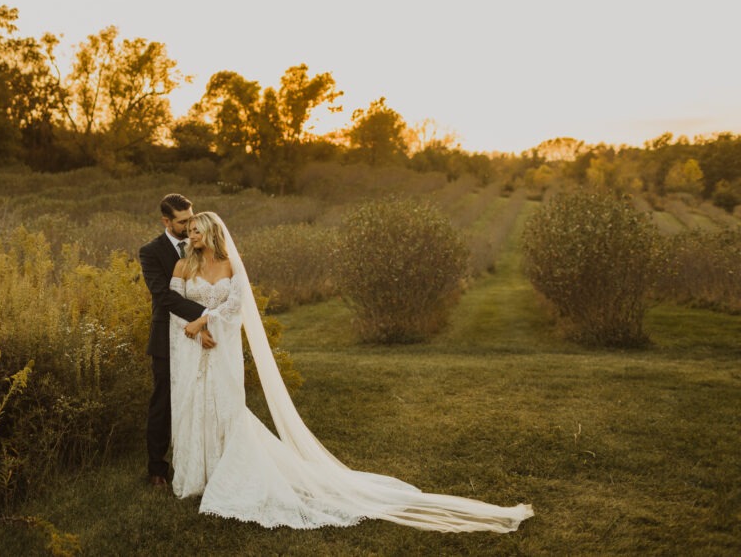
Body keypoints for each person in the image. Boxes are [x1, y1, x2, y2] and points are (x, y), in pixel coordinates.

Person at [167, 211, 535, 532]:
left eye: (197, 230)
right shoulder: (185, 265)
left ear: (211, 233)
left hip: (223, 346)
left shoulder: (231, 265)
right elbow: (174, 305)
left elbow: (236, 304)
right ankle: (197, 476)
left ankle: (226, 473)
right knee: (194, 405)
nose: (191, 236)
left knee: (227, 408)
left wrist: (207, 321)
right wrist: (196, 329)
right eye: (190, 230)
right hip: (193, 347)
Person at [138, 194, 207, 488]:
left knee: (202, 398)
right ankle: (157, 468)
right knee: (163, 401)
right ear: (166, 221)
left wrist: (208, 321)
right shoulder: (150, 252)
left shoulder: (201, 241)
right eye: (182, 221)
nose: (189, 225)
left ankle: (199, 462)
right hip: (167, 335)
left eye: (190, 218)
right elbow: (163, 296)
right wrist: (206, 313)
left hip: (203, 334)